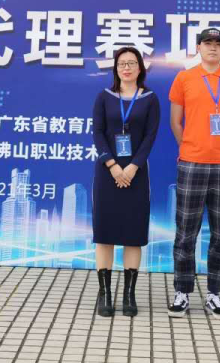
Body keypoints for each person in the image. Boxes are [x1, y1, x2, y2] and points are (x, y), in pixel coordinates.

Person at [167, 27, 220, 319]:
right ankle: (182, 292)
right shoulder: (184, 78)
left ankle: (214, 293)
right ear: (199, 48)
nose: (213, 48)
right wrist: (192, 146)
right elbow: (175, 122)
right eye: (207, 43)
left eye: (218, 44)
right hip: (192, 163)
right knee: (186, 232)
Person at [92, 45, 160, 317]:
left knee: (133, 235)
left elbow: (150, 137)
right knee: (105, 235)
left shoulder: (150, 99)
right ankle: (105, 293)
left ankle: (129, 294)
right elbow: (98, 133)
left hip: (136, 173)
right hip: (107, 174)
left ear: (140, 68)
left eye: (132, 63)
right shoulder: (104, 97)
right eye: (122, 63)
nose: (127, 68)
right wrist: (112, 165)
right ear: (116, 68)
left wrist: (132, 167)